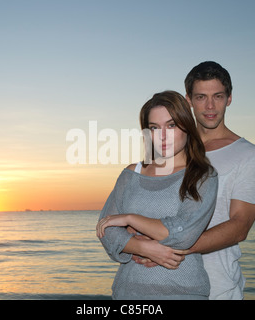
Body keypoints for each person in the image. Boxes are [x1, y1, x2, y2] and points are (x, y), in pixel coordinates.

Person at [131, 61, 255, 299]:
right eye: (200, 97)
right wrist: (137, 244)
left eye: (217, 96)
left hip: (216, 286)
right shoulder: (166, 148)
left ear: (229, 98)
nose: (209, 106)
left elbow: (239, 227)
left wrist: (168, 247)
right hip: (154, 284)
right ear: (188, 100)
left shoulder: (249, 155)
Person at [96, 90, 218, 300]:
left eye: (171, 125)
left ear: (187, 126)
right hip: (128, 293)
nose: (162, 136)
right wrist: (146, 248)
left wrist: (130, 219)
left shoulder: (202, 175)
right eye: (154, 127)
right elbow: (106, 229)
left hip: (182, 292)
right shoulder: (131, 174)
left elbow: (183, 233)